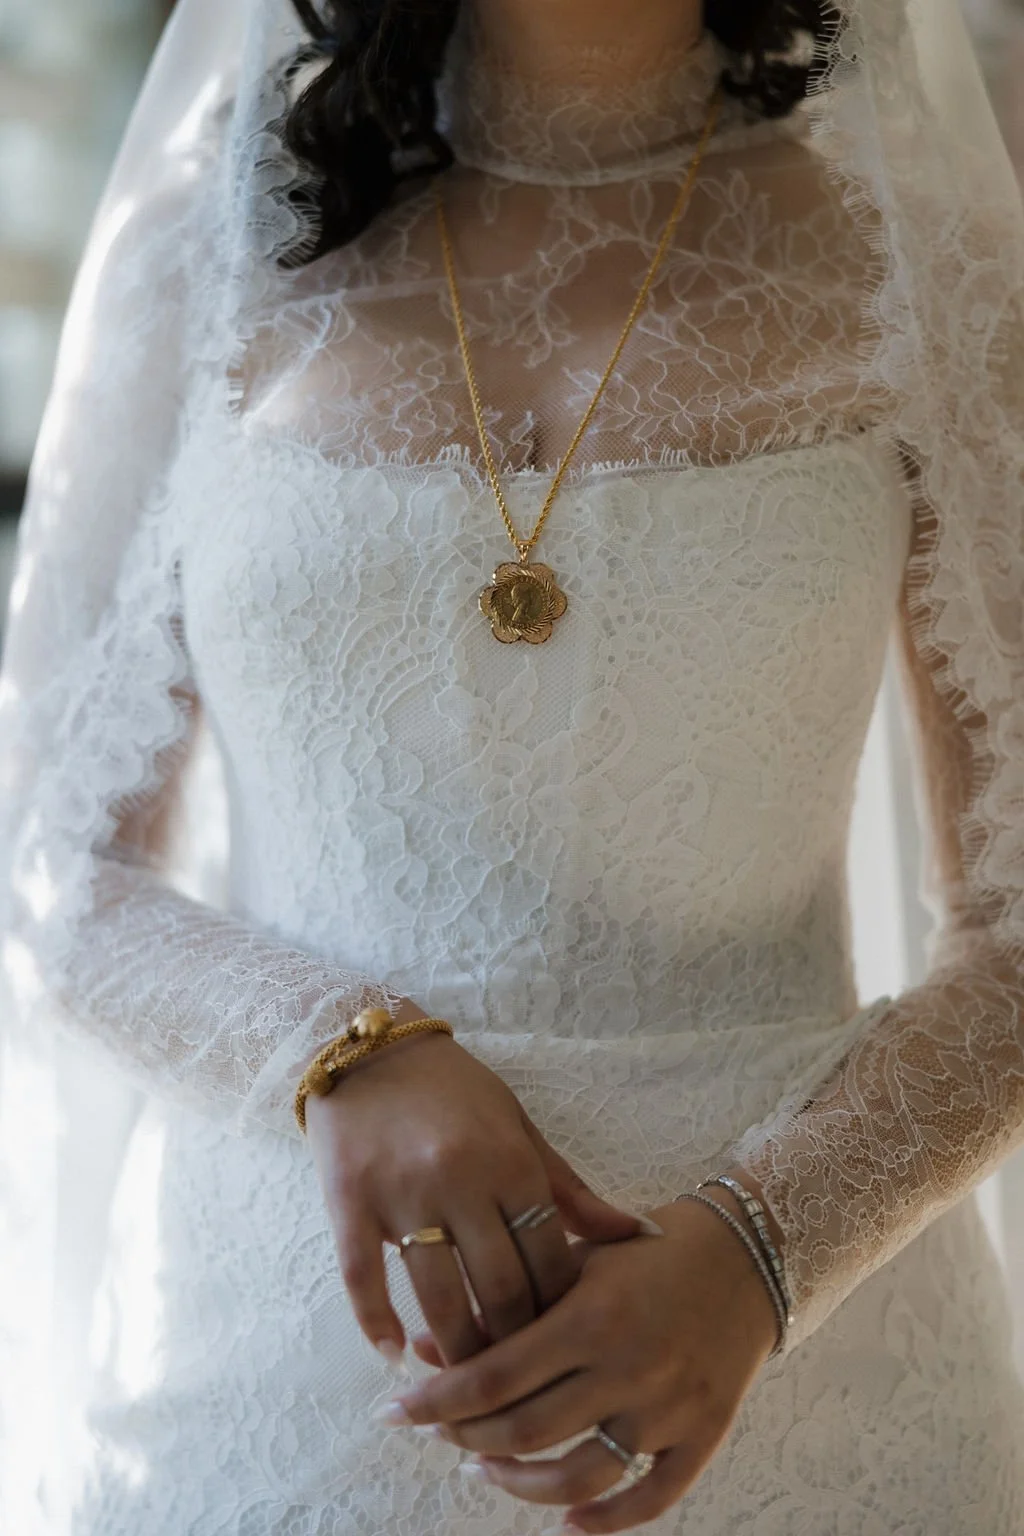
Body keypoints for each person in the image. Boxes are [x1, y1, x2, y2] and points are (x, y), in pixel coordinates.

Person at [3, 0, 1024, 1531]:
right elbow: (53, 857)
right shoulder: (203, 247)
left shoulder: (921, 267)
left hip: (828, 1389)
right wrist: (339, 1050)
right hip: (272, 1381)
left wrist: (766, 1251)